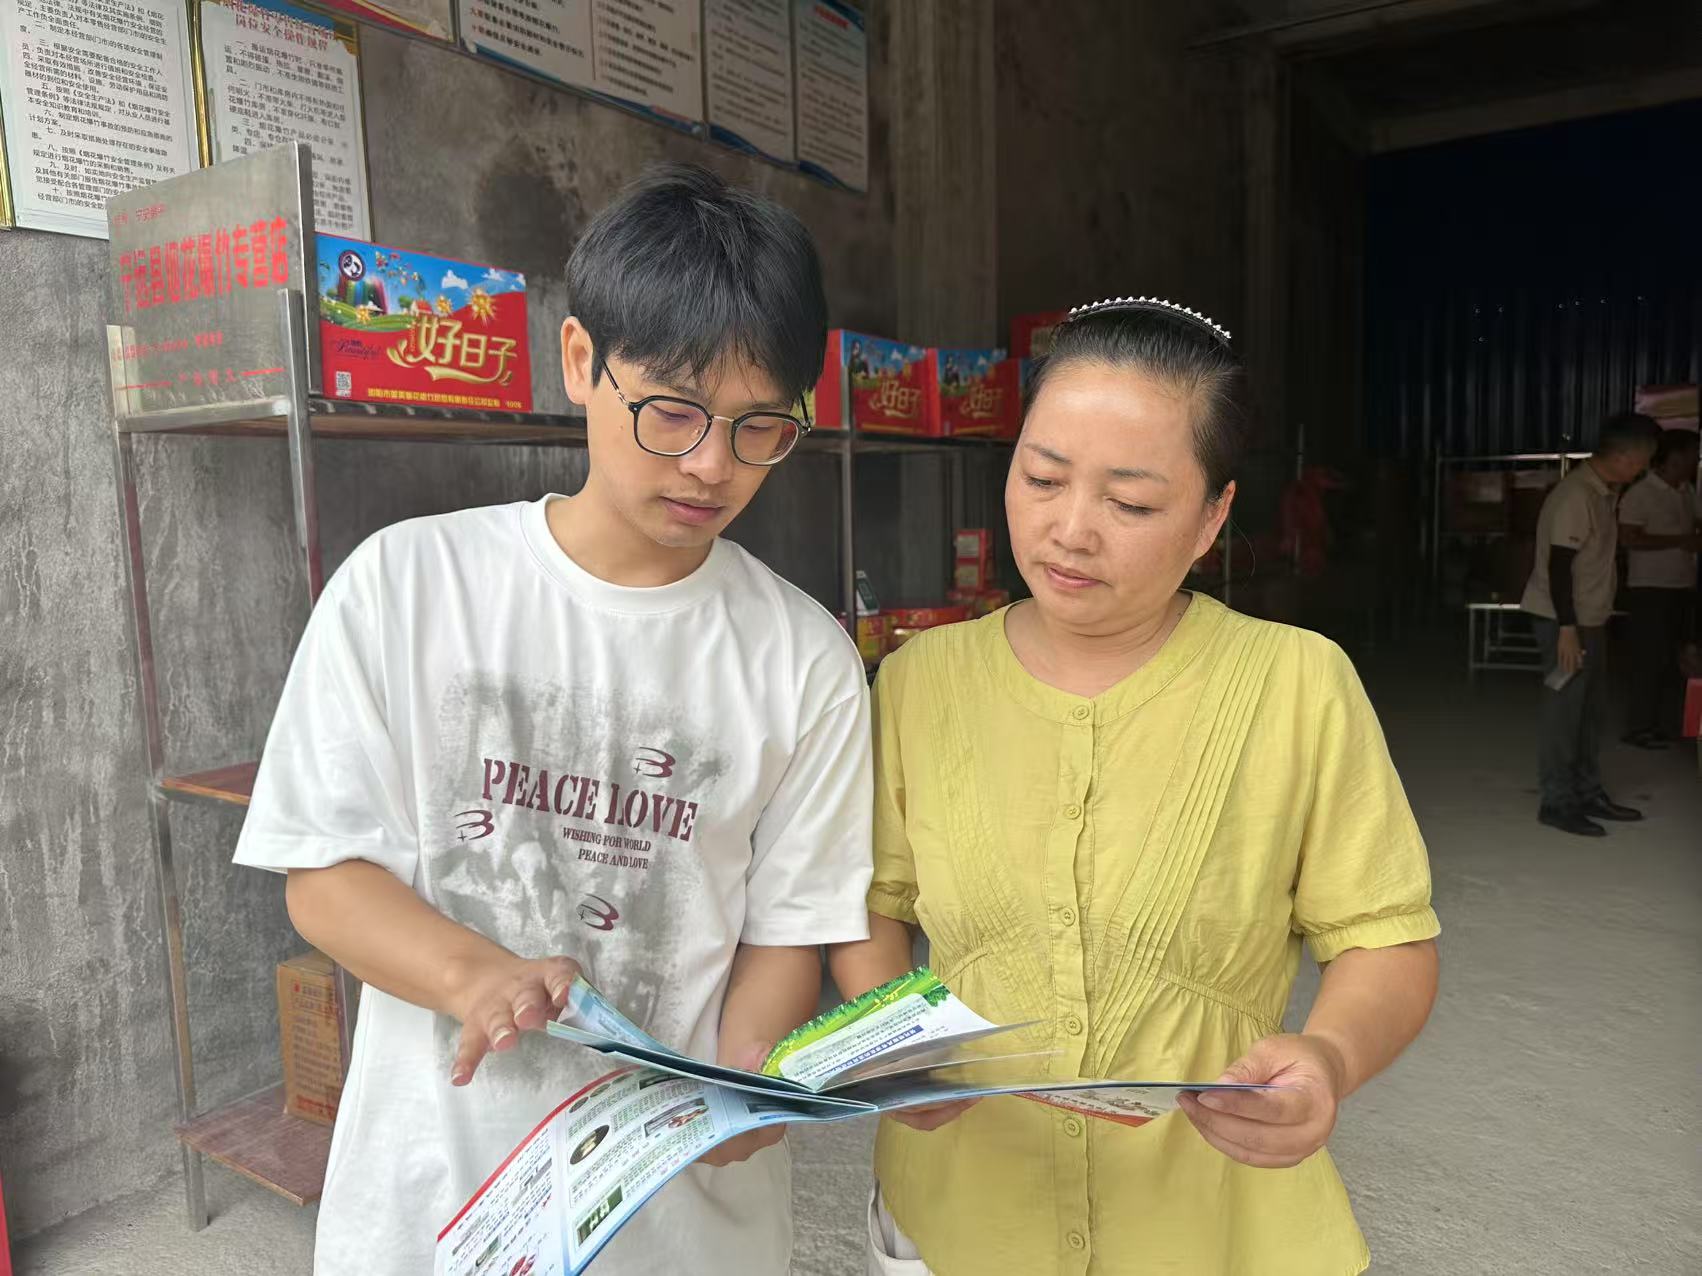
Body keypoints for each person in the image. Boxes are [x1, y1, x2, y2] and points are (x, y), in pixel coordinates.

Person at [233, 164, 874, 1276]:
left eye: (760, 427)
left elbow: (787, 927)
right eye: (671, 413)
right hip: (435, 1202)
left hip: (684, 1228)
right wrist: (471, 975)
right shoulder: (407, 587)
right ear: (580, 361)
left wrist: (752, 1070)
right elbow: (323, 876)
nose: (711, 465)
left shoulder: (804, 657)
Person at [829, 298, 1441, 1276]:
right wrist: (891, 1033)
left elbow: (1385, 935)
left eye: (1131, 503)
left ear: (1211, 518)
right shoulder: (919, 682)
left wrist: (1329, 1057)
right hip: (959, 1218)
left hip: (1215, 1227)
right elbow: (870, 903)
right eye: (1042, 478)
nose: (1070, 530)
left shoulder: (1295, 683)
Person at [1519, 412, 1662, 836]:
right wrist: (1567, 629)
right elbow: (1558, 568)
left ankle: (1587, 791)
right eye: (1643, 461)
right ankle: (1557, 802)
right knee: (1564, 713)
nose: (1644, 469)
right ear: (1624, 456)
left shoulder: (1604, 492)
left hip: (1589, 619)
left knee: (1589, 712)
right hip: (1564, 621)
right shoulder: (1575, 496)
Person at [1617, 428, 1700, 749]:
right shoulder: (1641, 494)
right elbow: (1629, 539)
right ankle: (1639, 726)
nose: (1695, 460)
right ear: (1675, 457)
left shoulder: (1687, 490)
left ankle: (1663, 724)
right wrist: (1680, 541)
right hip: (1650, 588)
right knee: (1649, 658)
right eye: (1692, 454)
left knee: (1676, 659)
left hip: (1682, 585)